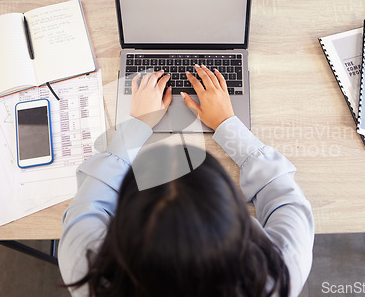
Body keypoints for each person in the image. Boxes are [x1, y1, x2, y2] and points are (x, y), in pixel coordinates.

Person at [58, 65, 314, 297]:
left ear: (123, 221)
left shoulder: (85, 268)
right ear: (233, 215)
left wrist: (138, 124)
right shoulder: (279, 276)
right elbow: (285, 197)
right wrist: (227, 124)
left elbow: (90, 200)